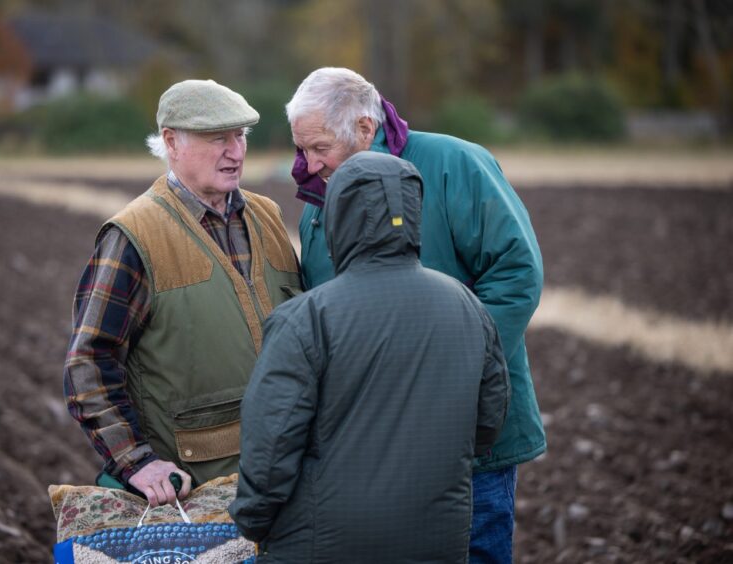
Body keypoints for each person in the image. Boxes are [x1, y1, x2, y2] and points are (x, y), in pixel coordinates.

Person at [286, 67, 545, 563]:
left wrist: (449, 375)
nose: (308, 163)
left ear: (365, 128)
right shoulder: (320, 196)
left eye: (319, 147)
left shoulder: (455, 164)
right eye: (302, 149)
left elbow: (517, 274)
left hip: (469, 436)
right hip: (370, 440)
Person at [230, 151, 510, 562]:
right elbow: (488, 422)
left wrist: (252, 521)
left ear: (338, 218)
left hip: (322, 543)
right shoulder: (467, 306)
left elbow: (271, 448)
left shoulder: (306, 318)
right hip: (437, 539)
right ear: (415, 213)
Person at [64, 79, 301, 507]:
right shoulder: (135, 235)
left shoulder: (268, 216)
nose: (236, 151)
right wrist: (136, 461)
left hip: (288, 479)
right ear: (171, 142)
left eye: (240, 136)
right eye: (218, 138)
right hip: (198, 496)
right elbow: (88, 361)